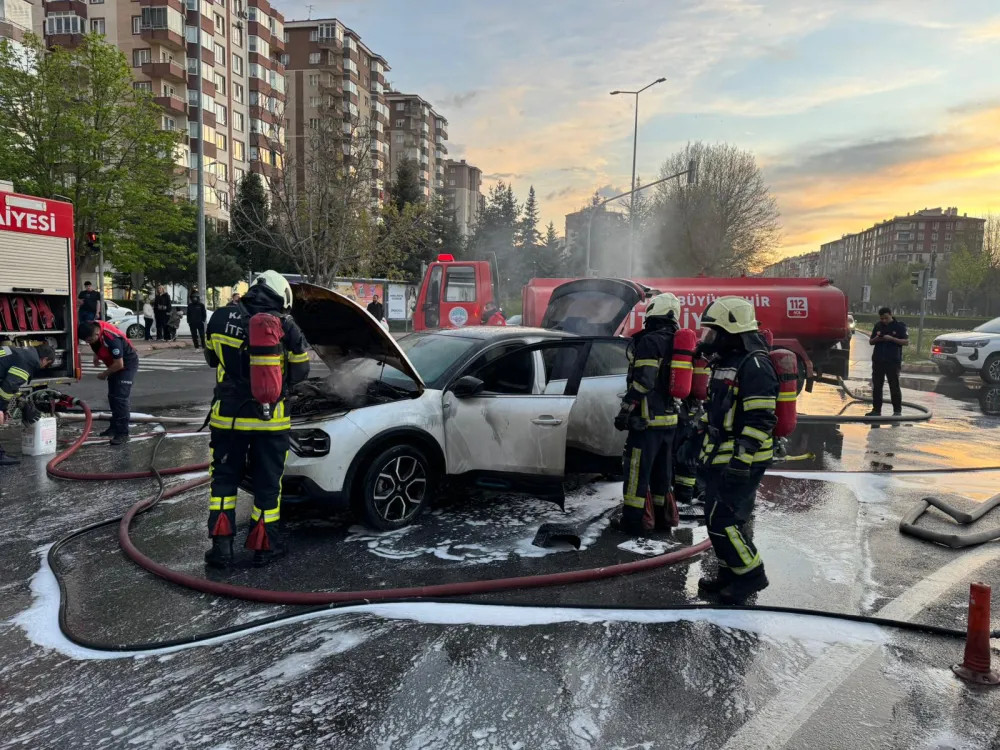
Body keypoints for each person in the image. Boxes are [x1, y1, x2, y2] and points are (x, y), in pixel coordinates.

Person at [203, 270, 310, 568]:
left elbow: (211, 358)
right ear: (282, 296)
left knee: (223, 483)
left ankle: (222, 549)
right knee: (267, 486)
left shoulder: (219, 318)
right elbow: (301, 372)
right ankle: (265, 547)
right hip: (270, 421)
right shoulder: (287, 326)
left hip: (227, 419)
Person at [696, 296, 779, 603]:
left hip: (743, 458)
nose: (710, 338)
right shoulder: (726, 362)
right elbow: (718, 406)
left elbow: (761, 418)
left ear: (733, 331)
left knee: (723, 520)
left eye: (715, 332)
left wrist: (741, 460)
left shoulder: (755, 365)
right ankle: (728, 574)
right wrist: (701, 426)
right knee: (714, 518)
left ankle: (751, 575)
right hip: (722, 455)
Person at [613, 293, 683, 534]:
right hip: (670, 422)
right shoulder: (678, 342)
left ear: (653, 313)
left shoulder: (650, 342)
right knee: (663, 475)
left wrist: (626, 408)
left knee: (636, 474)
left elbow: (644, 381)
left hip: (646, 421)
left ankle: (634, 523)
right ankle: (663, 521)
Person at [78, 320, 139, 445]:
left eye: (89, 340)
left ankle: (123, 433)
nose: (89, 343)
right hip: (114, 364)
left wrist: (104, 374)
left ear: (96, 333)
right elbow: (97, 345)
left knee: (120, 399)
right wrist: (97, 355)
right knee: (112, 397)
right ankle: (114, 427)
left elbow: (119, 364)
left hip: (126, 365)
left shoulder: (111, 339)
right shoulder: (93, 328)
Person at [0, 344, 56, 466]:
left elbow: (8, 381)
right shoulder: (28, 362)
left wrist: (21, 401)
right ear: (45, 359)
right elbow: (8, 388)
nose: (44, 367)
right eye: (47, 364)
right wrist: (2, 409)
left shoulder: (24, 353)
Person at [867, 306, 908, 417]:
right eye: (882, 318)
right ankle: (876, 410)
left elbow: (905, 342)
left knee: (894, 385)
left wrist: (892, 339)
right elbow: (871, 341)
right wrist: (877, 339)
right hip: (878, 360)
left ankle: (897, 411)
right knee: (877, 386)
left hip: (892, 361)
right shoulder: (878, 326)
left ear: (891, 314)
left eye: (886, 318)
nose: (884, 320)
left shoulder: (899, 326)